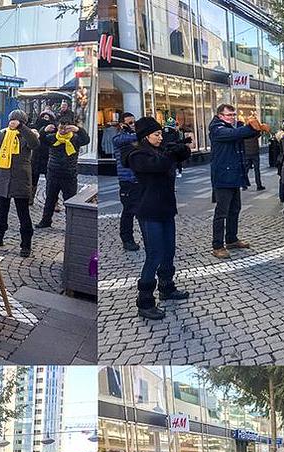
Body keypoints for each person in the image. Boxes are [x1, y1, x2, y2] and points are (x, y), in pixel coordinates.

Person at [121, 116, 192, 320]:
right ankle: (144, 301)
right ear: (146, 136)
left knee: (169, 250)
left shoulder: (160, 149)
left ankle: (167, 287)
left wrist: (179, 147)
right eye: (156, 134)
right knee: (154, 254)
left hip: (166, 208)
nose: (160, 137)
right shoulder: (136, 153)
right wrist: (170, 153)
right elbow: (157, 166)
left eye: (161, 134)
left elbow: (182, 155)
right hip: (148, 209)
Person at [0, 109, 39, 257]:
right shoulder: (4, 134)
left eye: (16, 120)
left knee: (23, 213)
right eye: (11, 119)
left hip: (20, 179)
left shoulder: (26, 135)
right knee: (2, 210)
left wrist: (21, 128)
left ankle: (26, 244)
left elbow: (35, 143)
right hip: (3, 178)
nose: (12, 122)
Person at [208, 104, 261, 258]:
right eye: (228, 115)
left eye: (233, 114)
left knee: (235, 209)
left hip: (234, 175)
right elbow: (236, 134)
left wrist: (255, 129)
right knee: (221, 212)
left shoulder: (232, 127)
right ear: (220, 115)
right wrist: (252, 127)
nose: (232, 117)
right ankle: (217, 245)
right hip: (223, 176)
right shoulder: (217, 129)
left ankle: (231, 239)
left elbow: (244, 134)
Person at [36, 112, 90, 228]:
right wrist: (44, 130)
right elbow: (41, 140)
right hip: (53, 173)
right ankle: (46, 221)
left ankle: (71, 224)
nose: (63, 130)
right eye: (60, 127)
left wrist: (78, 129)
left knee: (70, 201)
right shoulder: (53, 138)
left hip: (69, 175)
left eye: (66, 128)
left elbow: (86, 140)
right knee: (50, 199)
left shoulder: (75, 139)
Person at [112, 112, 142, 251]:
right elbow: (120, 140)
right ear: (122, 124)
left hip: (139, 179)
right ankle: (127, 239)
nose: (133, 125)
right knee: (129, 211)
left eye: (134, 122)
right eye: (130, 123)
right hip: (127, 180)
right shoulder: (119, 137)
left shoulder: (133, 137)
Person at [30, 109, 57, 202]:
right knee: (33, 179)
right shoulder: (36, 126)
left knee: (51, 181)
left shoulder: (54, 128)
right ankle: (30, 197)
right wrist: (44, 130)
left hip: (48, 157)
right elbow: (36, 138)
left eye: (47, 117)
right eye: (44, 117)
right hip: (36, 156)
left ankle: (54, 201)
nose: (45, 119)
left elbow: (53, 140)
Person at [242, 118, 266, 191]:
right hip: (255, 153)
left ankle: (244, 185)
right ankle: (259, 185)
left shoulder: (244, 133)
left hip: (247, 153)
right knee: (257, 170)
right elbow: (260, 133)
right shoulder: (255, 132)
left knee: (245, 170)